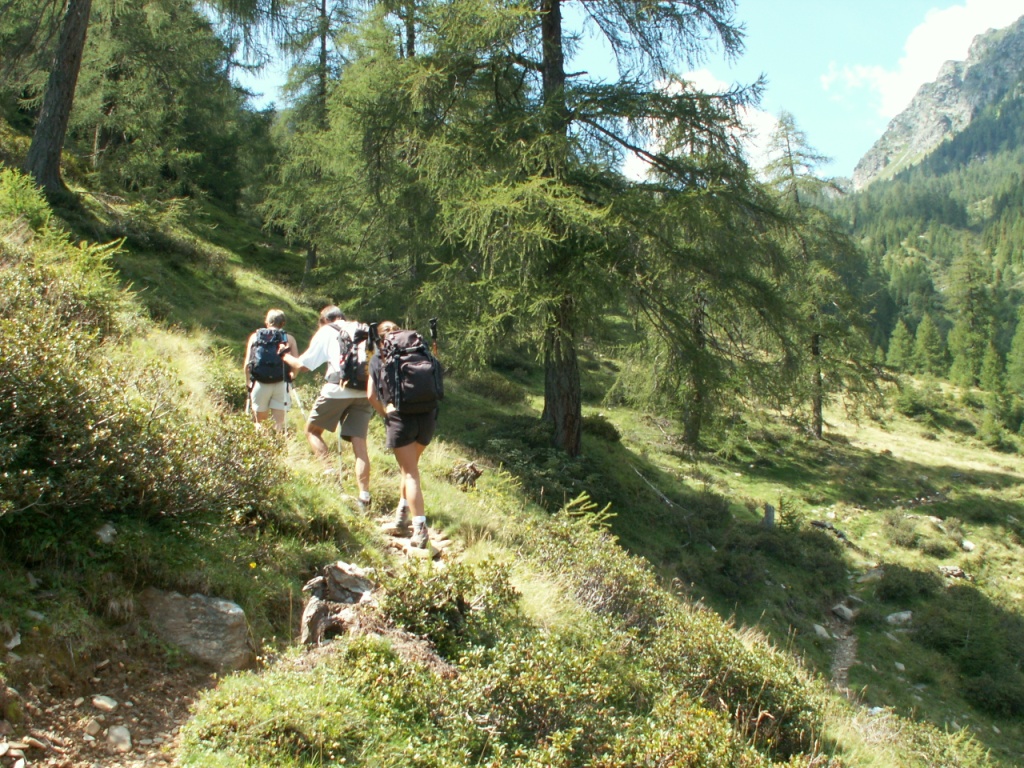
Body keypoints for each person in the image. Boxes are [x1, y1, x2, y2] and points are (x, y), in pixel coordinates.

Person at [281, 305, 374, 512]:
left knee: (312, 431)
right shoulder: (364, 328)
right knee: (360, 445)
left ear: (324, 320)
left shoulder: (327, 331)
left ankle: (331, 477)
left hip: (337, 389)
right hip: (364, 391)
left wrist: (285, 356)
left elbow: (304, 365)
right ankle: (364, 497)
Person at [367, 321, 437, 550]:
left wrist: (385, 414)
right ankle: (401, 516)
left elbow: (371, 395)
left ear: (380, 340)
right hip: (427, 416)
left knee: (410, 473)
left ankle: (419, 529)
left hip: (400, 417)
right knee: (410, 468)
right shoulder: (419, 353)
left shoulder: (380, 359)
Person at [244, 309, 299, 432]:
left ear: (266, 322)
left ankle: (262, 448)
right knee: (278, 423)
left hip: (259, 382)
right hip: (281, 383)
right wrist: (292, 376)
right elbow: (296, 364)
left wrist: (248, 382)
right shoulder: (289, 339)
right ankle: (278, 447)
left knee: (260, 423)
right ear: (283, 323)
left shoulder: (255, 337)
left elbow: (248, 364)